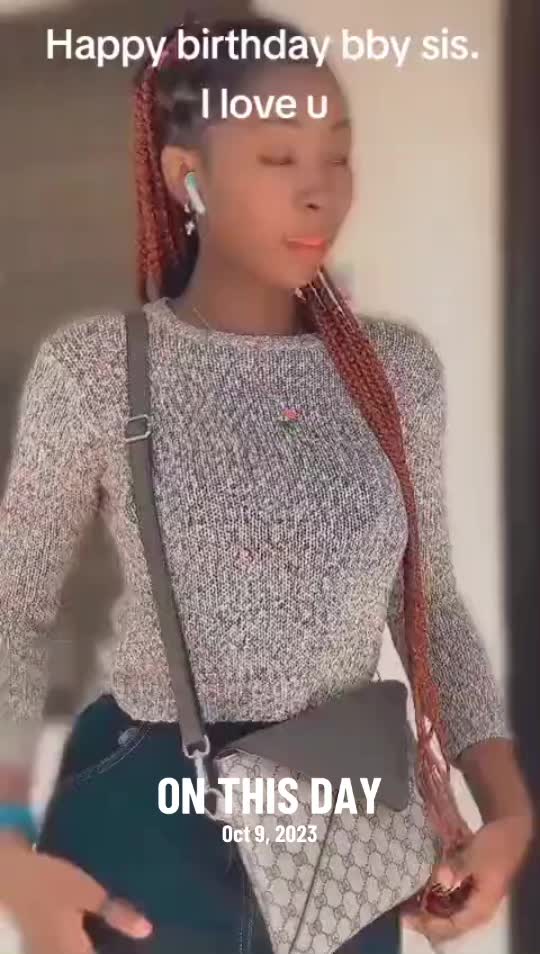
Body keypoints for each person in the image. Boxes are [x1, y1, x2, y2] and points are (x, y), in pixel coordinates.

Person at [0, 13, 533, 954]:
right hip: (151, 825)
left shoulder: (395, 373)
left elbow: (432, 599)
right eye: (279, 157)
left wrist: (508, 811)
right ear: (188, 177)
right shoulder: (97, 371)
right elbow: (14, 606)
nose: (319, 190)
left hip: (342, 826)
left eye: (338, 155)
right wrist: (7, 850)